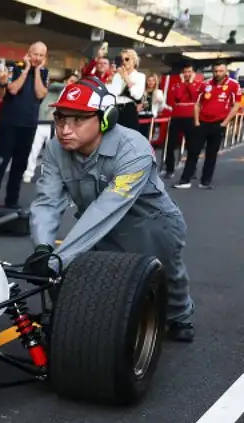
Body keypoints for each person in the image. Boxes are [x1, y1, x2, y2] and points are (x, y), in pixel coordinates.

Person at [26, 77, 195, 343]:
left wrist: (59, 258)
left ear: (106, 119)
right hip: (96, 225)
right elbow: (48, 201)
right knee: (70, 275)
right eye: (60, 118)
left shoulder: (134, 149)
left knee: (166, 277)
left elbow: (108, 207)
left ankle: (181, 315)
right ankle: (73, 327)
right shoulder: (56, 150)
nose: (65, 129)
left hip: (150, 223)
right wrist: (43, 249)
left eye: (78, 119)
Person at [0, 42, 49, 210]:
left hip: (29, 125)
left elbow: (40, 93)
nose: (37, 58)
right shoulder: (15, 68)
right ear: (28, 53)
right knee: (0, 163)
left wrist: (36, 72)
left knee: (19, 165)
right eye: (35, 54)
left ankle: (11, 201)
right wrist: (27, 69)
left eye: (41, 55)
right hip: (9, 123)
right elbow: (12, 89)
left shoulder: (43, 73)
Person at [174, 62, 239, 190]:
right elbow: (197, 104)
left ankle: (205, 181)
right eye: (215, 71)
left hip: (218, 124)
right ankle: (185, 180)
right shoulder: (206, 84)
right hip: (202, 123)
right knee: (193, 152)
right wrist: (197, 122)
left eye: (220, 71)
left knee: (211, 154)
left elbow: (236, 105)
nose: (217, 73)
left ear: (225, 72)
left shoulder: (233, 85)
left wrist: (225, 123)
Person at [161, 63, 201, 179]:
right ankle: (170, 169)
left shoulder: (198, 85)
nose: (187, 74)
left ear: (193, 73)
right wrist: (183, 83)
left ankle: (192, 169)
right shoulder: (177, 85)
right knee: (170, 145)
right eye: (185, 72)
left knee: (192, 146)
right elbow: (177, 97)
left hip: (191, 117)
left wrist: (191, 83)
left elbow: (194, 96)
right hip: (177, 117)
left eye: (189, 72)